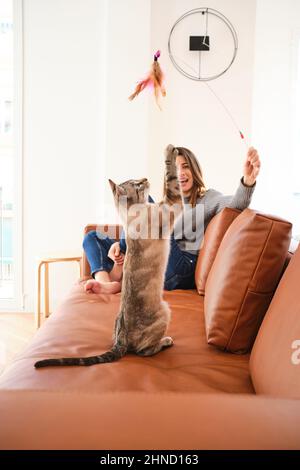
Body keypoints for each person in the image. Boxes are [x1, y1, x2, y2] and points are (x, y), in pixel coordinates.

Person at [83, 146, 261, 294]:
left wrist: (248, 180)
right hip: (158, 265)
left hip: (182, 266)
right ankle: (107, 283)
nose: (181, 173)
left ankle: (122, 257)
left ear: (194, 170)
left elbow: (235, 205)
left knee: (144, 202)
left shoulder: (207, 198)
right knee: (92, 237)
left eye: (185, 166)